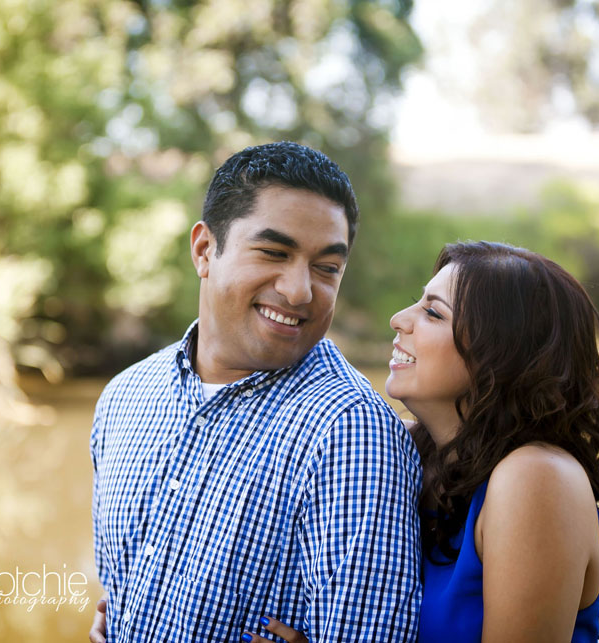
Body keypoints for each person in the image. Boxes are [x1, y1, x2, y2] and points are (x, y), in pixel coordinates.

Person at [88, 142, 423, 643]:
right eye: (274, 252)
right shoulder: (125, 396)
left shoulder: (351, 433)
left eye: (326, 267)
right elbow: (119, 593)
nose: (299, 290)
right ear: (205, 250)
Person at [247, 241, 599, 643]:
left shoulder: (537, 476)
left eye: (433, 312)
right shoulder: (394, 448)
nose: (398, 319)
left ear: (502, 352)